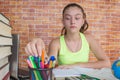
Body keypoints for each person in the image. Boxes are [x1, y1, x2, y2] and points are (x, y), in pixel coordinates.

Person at [25, 3, 111, 69]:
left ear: (83, 21)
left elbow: (106, 63)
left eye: (77, 18)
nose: (73, 21)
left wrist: (75, 65)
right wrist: (37, 42)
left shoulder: (89, 39)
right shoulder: (56, 43)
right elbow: (49, 65)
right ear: (63, 21)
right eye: (67, 18)